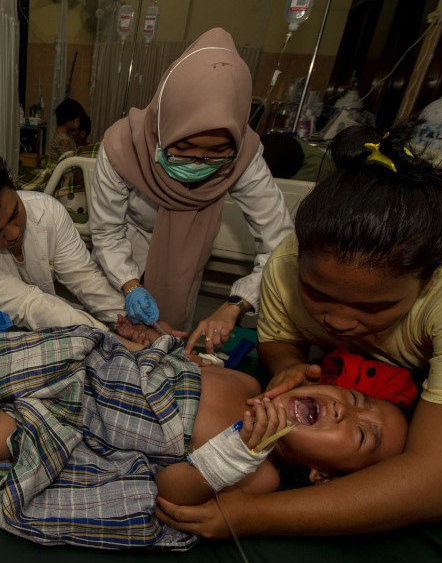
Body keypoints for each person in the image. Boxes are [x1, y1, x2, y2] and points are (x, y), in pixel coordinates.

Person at [157, 124, 442, 538]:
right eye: (316, 296)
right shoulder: (286, 262)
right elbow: (279, 339)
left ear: (428, 284)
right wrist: (289, 365)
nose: (339, 322)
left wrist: (253, 515)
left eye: (374, 307)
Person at [0, 322, 409, 550]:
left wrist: (238, 447)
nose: (351, 412)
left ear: (318, 476)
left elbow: (169, 493)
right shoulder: (251, 375)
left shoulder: (260, 470)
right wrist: (161, 344)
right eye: (356, 400)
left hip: (74, 426)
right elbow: (167, 367)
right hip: (81, 361)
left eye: (360, 437)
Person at [88, 27, 294, 348]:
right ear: (165, 125)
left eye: (216, 153)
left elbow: (281, 248)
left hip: (184, 266)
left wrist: (236, 305)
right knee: (116, 346)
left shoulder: (244, 157)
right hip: (125, 260)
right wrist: (129, 285)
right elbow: (106, 232)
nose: (198, 161)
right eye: (183, 147)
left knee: (172, 345)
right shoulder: (122, 147)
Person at [0, 145, 125, 332]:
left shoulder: (47, 211)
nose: (13, 234)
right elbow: (31, 306)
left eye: (15, 213)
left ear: (13, 187)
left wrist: (125, 320)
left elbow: (84, 278)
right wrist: (108, 336)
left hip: (62, 320)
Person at [45, 97, 85, 165]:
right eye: (78, 121)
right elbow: (67, 163)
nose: (79, 124)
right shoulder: (63, 140)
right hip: (59, 172)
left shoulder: (64, 133)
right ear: (70, 120)